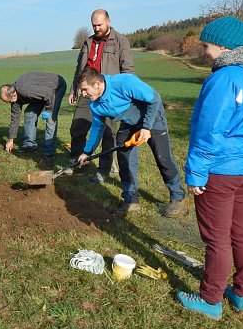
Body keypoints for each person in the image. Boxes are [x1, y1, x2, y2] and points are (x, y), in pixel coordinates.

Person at [176, 16, 243, 320]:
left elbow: (209, 130)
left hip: (220, 169)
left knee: (216, 238)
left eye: (206, 46)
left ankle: (210, 300)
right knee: (240, 232)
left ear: (223, 45)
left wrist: (195, 173)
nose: (205, 52)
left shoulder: (224, 78)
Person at [76, 67, 185, 217]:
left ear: (97, 84)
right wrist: (87, 152)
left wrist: (146, 127)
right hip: (129, 123)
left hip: (152, 117)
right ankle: (131, 198)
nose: (83, 94)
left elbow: (155, 99)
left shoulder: (124, 82)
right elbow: (97, 127)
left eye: (84, 89)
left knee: (163, 157)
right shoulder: (94, 103)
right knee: (124, 159)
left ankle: (177, 196)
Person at [69, 9, 135, 183]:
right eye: (94, 25)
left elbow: (128, 71)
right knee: (78, 126)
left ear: (108, 21)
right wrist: (74, 89)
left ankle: (103, 170)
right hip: (86, 90)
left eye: (100, 24)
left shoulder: (121, 41)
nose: (96, 28)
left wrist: (125, 94)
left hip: (108, 93)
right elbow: (79, 68)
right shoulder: (88, 42)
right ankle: (77, 161)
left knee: (108, 133)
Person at [0, 72, 67, 168]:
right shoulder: (15, 99)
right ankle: (29, 145)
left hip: (56, 87)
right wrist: (11, 140)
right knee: (29, 114)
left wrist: (48, 110)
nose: (8, 103)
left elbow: (48, 94)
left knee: (51, 119)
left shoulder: (26, 90)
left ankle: (48, 153)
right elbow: (15, 118)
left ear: (14, 94)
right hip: (40, 93)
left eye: (8, 101)